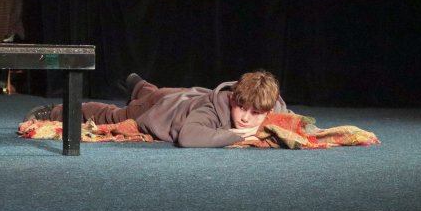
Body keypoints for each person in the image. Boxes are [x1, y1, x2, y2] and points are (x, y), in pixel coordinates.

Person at [24, 70, 291, 147]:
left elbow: (295, 123)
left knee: (153, 93)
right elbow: (188, 137)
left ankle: (138, 84)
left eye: (256, 113)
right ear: (232, 99)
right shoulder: (212, 109)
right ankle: (54, 110)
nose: (246, 118)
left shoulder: (272, 105)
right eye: (242, 108)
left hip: (180, 97)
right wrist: (235, 135)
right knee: (114, 116)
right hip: (161, 109)